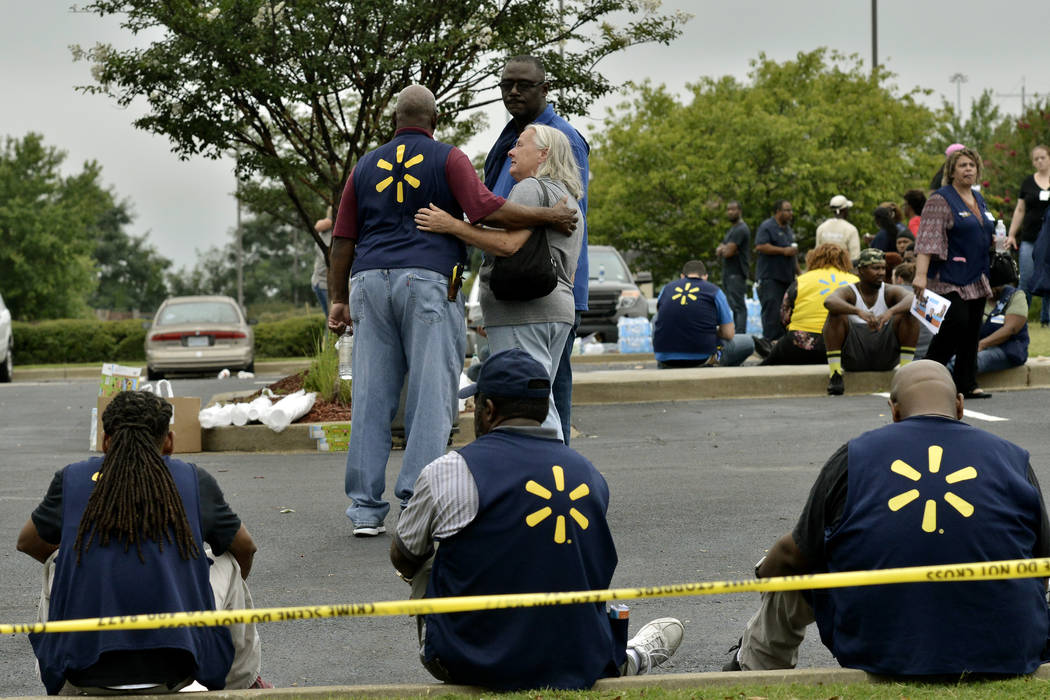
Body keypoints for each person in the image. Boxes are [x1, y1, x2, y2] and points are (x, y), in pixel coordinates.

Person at [328, 85, 578, 536]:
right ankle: (416, 503)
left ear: (395, 121)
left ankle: (364, 510)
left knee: (370, 396)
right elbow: (483, 208)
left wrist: (337, 298)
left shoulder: (365, 165)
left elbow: (343, 237)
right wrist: (547, 216)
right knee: (430, 396)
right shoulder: (449, 158)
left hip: (367, 281)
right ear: (435, 120)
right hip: (426, 281)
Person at [724, 360, 1050, 678]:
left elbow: (793, 554)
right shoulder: (1012, 458)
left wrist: (763, 573)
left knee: (794, 571)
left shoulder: (855, 456)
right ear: (960, 405)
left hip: (882, 650)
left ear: (893, 411)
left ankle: (752, 672)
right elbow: (1042, 565)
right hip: (1008, 648)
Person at [390, 348, 683, 690]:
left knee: (434, 556)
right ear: (544, 409)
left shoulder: (449, 470)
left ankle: (620, 658)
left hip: (467, 662)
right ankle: (625, 658)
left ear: (488, 410)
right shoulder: (588, 474)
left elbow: (404, 555)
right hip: (578, 658)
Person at [17, 390, 268, 693]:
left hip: (83, 673)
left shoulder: (71, 479)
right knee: (227, 561)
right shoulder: (193, 479)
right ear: (170, 441)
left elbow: (28, 541)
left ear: (105, 441)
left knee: (58, 562)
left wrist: (76, 559)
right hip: (178, 669)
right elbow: (246, 548)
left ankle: (65, 688)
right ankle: (242, 683)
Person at [415, 123, 582, 440]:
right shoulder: (570, 200)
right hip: (558, 310)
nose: (511, 151)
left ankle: (546, 478)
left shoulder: (532, 189)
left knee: (526, 405)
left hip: (523, 313)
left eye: (520, 144)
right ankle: (554, 472)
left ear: (543, 154)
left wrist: (451, 225)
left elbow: (508, 245)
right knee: (542, 400)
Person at [483, 55, 590, 445]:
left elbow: (570, 214)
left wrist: (457, 228)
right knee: (534, 393)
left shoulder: (556, 138)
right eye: (506, 83)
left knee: (543, 396)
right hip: (518, 286)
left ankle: (556, 479)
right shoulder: (514, 136)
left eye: (524, 85)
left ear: (544, 89)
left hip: (543, 287)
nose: (513, 91)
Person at [913, 146, 995, 399]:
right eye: (963, 165)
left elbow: (981, 230)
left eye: (972, 165)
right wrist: (920, 275)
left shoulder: (978, 199)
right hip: (948, 275)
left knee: (972, 329)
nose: (968, 169)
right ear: (952, 170)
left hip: (977, 274)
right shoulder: (940, 199)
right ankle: (925, 376)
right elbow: (927, 239)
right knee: (955, 323)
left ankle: (966, 383)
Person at [823, 248, 918, 396]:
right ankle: (835, 374)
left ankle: (905, 374)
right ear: (860, 270)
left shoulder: (889, 291)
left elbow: (913, 299)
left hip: (885, 358)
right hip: (854, 358)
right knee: (836, 314)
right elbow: (829, 301)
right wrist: (858, 312)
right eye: (875, 268)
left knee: (908, 314)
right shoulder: (850, 292)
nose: (881, 272)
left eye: (883, 268)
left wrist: (890, 312)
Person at [760, 244, 858, 366]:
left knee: (770, 361)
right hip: (842, 346)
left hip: (800, 344)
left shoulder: (801, 280)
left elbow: (784, 316)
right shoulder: (856, 281)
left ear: (813, 259)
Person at [652, 260, 755, 368]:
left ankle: (663, 360)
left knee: (656, 318)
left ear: (682, 276)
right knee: (748, 342)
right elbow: (728, 334)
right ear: (705, 277)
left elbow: (662, 319)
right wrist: (709, 330)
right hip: (701, 358)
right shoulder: (714, 291)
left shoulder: (666, 289)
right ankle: (718, 366)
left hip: (666, 360)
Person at [948, 253, 1029, 375]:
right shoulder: (977, 296)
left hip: (1006, 350)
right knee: (945, 359)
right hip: (976, 348)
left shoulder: (1016, 296)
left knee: (963, 363)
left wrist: (981, 345)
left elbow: (1010, 329)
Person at [1006, 144, 1050, 328]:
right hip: (1030, 238)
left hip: (1049, 240)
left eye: (1043, 157)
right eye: (1036, 159)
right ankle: (1019, 319)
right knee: (1026, 278)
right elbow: (1020, 209)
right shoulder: (1027, 182)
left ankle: (1046, 319)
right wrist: (1011, 235)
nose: (1039, 161)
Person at [754, 200, 799, 341]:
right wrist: (782, 251)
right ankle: (769, 344)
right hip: (771, 278)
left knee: (786, 313)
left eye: (791, 210)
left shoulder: (788, 230)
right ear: (778, 211)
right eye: (787, 210)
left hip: (787, 278)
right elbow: (760, 246)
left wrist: (800, 273)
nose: (791, 213)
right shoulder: (767, 226)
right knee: (772, 313)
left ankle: (782, 344)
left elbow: (792, 255)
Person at [717, 200, 751, 332]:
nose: (730, 212)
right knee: (733, 306)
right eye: (728, 209)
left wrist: (725, 249)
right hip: (728, 273)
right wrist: (724, 249)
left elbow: (727, 252)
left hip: (736, 274)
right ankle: (736, 334)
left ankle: (740, 336)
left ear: (740, 211)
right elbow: (720, 249)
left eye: (733, 209)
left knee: (739, 307)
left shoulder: (741, 229)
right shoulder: (732, 230)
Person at [892, 261, 932, 359]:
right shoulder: (932, 299)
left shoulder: (892, 295)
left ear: (899, 279)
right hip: (929, 356)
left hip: (903, 358)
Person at [814, 195, 860, 260]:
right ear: (845, 210)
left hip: (824, 268)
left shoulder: (821, 228)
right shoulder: (851, 229)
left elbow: (817, 253)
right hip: (843, 269)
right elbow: (855, 257)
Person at [311, 216, 333, 315]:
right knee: (332, 318)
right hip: (323, 282)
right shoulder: (325, 230)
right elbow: (318, 225)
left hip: (332, 283)